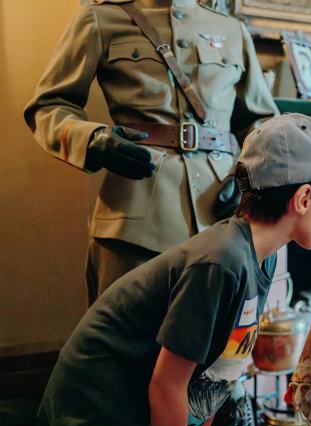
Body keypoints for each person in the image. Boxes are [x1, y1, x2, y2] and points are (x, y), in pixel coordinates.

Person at [39, 113, 311, 426]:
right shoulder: (222, 264)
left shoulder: (263, 258)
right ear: (304, 198)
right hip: (95, 403)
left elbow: (220, 374)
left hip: (136, 396)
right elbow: (167, 386)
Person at [24, 0, 279, 304]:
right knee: (125, 338)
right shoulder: (100, 18)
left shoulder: (231, 30)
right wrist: (93, 139)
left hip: (222, 214)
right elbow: (49, 106)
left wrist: (251, 178)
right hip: (135, 221)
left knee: (220, 342)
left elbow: (262, 121)